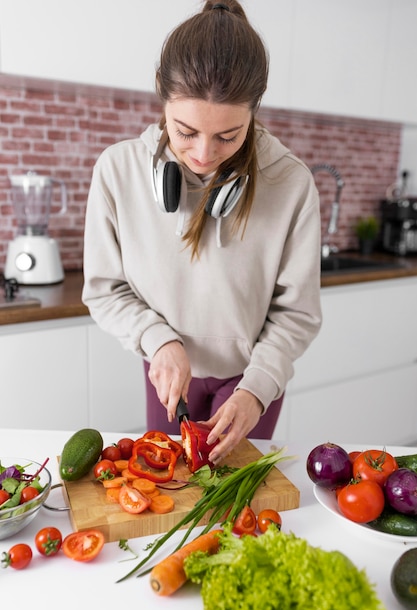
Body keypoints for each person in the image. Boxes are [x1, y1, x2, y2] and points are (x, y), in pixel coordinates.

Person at [82, 0, 322, 465]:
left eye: (228, 136)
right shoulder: (117, 170)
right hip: (168, 369)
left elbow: (297, 314)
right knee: (172, 495)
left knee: (236, 508)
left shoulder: (291, 183)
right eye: (185, 131)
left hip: (254, 379)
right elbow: (105, 291)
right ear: (161, 96)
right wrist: (159, 342)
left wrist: (256, 392)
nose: (204, 154)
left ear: (254, 110)